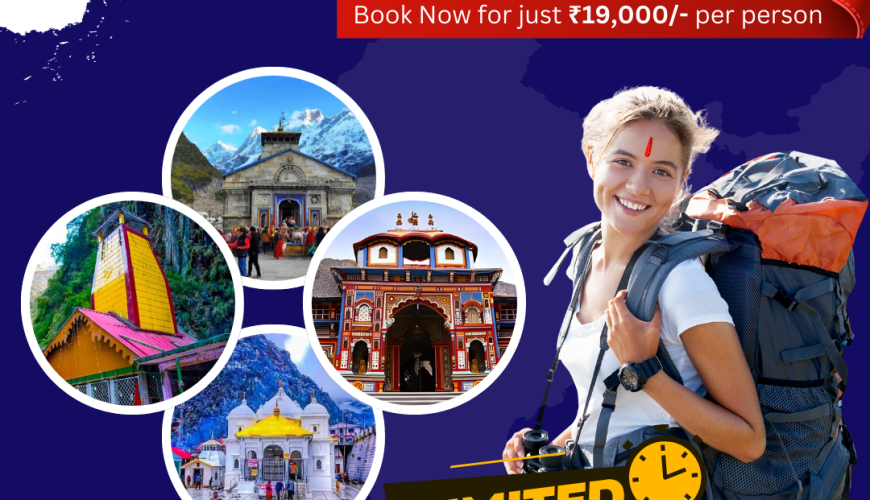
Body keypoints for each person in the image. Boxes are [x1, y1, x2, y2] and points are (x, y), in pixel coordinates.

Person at [502, 87, 765, 472]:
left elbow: (749, 441)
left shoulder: (680, 284)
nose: (639, 186)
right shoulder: (583, 256)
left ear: (682, 180)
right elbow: (609, 407)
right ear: (592, 158)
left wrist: (644, 370)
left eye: (661, 171)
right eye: (623, 161)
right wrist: (551, 452)